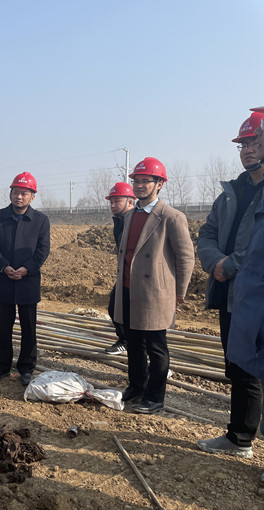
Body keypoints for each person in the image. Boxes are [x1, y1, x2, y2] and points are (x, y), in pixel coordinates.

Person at [196, 111, 264, 458]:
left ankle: (242, 436)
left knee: (252, 369)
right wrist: (214, 263)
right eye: (243, 144)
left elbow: (257, 248)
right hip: (230, 294)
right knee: (236, 366)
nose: (247, 150)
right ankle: (239, 437)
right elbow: (206, 233)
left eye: (254, 142)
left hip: (256, 296)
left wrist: (231, 264)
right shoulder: (230, 193)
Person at [113, 157, 194, 414]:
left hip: (155, 292)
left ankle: (155, 397)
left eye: (145, 181)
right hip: (128, 289)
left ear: (159, 184)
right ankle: (137, 386)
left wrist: (179, 292)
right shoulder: (130, 215)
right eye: (135, 181)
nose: (138, 185)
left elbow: (185, 256)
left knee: (156, 347)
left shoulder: (171, 217)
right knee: (133, 342)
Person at [0, 172, 50, 386]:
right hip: (4, 280)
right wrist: (4, 266)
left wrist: (26, 269)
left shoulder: (40, 220)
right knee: (4, 327)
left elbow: (43, 249)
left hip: (28, 282)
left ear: (32, 196)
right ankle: (2, 367)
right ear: (10, 193)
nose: (19, 196)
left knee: (28, 328)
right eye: (16, 192)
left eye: (24, 193)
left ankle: (26, 368)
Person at [103, 182, 136, 355]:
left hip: (138, 275)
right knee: (115, 306)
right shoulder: (120, 221)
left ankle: (134, 344)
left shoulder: (136, 221)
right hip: (124, 273)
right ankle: (125, 340)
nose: (113, 205)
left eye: (117, 201)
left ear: (130, 201)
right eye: (111, 202)